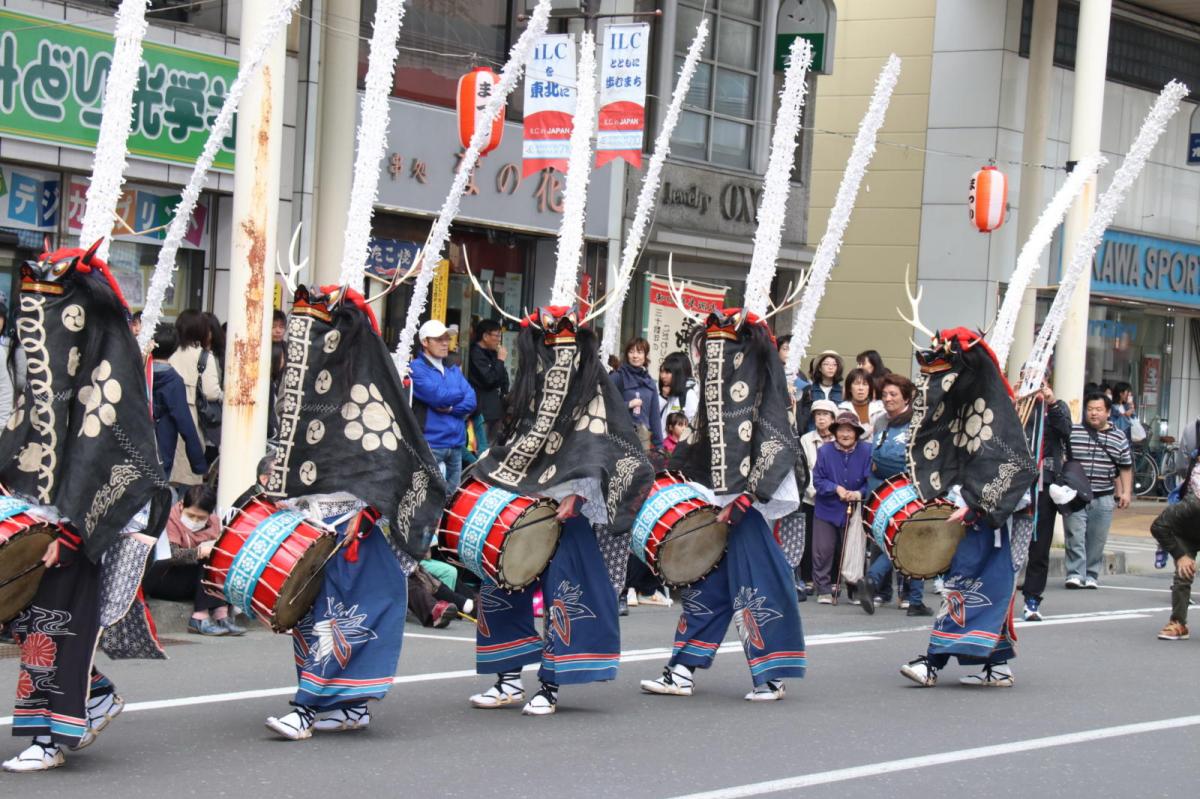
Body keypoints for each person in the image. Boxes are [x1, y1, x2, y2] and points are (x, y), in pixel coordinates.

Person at [1, 242, 172, 772]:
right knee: (30, 624)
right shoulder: (37, 368)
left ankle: (50, 735)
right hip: (33, 515)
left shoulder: (106, 373)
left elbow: (122, 460)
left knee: (55, 628)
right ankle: (92, 696)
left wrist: (73, 531)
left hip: (77, 524)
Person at [261, 284, 448, 740]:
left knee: (337, 619)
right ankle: (348, 708)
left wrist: (363, 514)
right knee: (310, 616)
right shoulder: (304, 379)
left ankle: (306, 709)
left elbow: (390, 459)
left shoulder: (371, 383)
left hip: (357, 529)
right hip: (311, 521)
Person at [466, 306, 654, 716]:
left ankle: (550, 683)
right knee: (502, 584)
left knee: (563, 595)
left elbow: (599, 446)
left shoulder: (592, 387)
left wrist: (578, 495)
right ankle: (508, 677)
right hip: (523, 501)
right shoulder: (532, 383)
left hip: (569, 506)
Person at [641, 309, 805, 702]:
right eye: (709, 347)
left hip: (748, 503)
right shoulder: (711, 394)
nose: (712, 354)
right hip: (716, 499)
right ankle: (681, 669)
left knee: (759, 585)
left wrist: (747, 496)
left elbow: (778, 444)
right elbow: (694, 444)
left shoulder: (763, 385)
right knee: (708, 587)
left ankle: (772, 675)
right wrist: (662, 475)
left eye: (720, 347)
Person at [898, 328, 1037, 689]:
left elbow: (1017, 470)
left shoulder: (995, 413)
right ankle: (998, 665)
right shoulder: (961, 408)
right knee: (982, 591)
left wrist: (977, 505)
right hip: (966, 516)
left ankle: (931, 662)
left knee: (966, 589)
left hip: (986, 521)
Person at [856, 374, 931, 616]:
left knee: (908, 540)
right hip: (882, 490)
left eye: (893, 395)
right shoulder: (880, 421)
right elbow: (874, 456)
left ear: (907, 398)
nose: (887, 399)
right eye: (885, 394)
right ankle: (890, 589)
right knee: (901, 540)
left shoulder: (918, 422)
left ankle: (905, 593)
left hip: (908, 488)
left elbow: (917, 458)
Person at [143, 485, 243, 636]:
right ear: (182, 505)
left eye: (201, 518)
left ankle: (221, 614)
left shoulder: (215, 523)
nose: (195, 520)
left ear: (210, 515)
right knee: (206, 559)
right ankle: (200, 617)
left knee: (216, 559)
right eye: (191, 515)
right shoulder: (170, 519)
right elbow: (170, 555)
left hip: (192, 581)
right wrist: (198, 552)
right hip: (164, 579)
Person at [1063, 391, 1133, 589]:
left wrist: (1126, 492)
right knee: (1075, 535)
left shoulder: (1119, 437)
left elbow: (1125, 466)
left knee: (1096, 539)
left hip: (1103, 496)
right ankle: (1075, 573)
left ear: (1108, 412)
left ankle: (1091, 574)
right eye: (1090, 409)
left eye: (1099, 410)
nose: (1094, 413)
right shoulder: (1073, 432)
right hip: (1075, 495)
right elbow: (1062, 458)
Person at [1021, 381, 1072, 621]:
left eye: (1038, 382)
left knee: (1039, 546)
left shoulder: (1055, 407)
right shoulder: (1012, 404)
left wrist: (1051, 402)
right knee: (1002, 544)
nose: (1032, 386)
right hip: (1013, 483)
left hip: (1044, 483)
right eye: (1026, 379)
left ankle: (1032, 600)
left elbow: (1065, 430)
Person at [810, 412, 872, 603]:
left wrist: (859, 493)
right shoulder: (824, 451)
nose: (845, 434)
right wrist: (835, 488)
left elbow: (871, 481)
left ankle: (854, 589)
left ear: (856, 432)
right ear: (835, 432)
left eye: (850, 430)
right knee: (823, 549)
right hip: (827, 507)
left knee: (853, 549)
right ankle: (824, 590)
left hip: (855, 508)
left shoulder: (867, 450)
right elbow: (818, 480)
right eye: (842, 430)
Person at [410, 319, 476, 491]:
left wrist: (452, 407)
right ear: (425, 342)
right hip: (431, 443)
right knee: (424, 495)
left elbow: (472, 400)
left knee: (451, 498)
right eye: (439, 339)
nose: (446, 342)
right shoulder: (416, 368)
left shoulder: (452, 368)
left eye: (447, 338)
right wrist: (458, 392)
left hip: (456, 443)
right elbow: (439, 398)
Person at [1150, 425, 1200, 640]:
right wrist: (1180, 555)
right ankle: (1178, 623)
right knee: (1183, 573)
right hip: (1187, 531)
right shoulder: (1192, 503)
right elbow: (1158, 526)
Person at [169, 309, 222, 486]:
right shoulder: (204, 356)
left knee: (168, 475)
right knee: (189, 476)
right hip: (191, 418)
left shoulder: (170, 351)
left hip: (166, 417)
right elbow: (211, 392)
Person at [150, 323, 207, 480]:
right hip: (162, 445)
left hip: (134, 445)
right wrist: (198, 463)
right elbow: (185, 422)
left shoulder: (137, 374)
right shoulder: (173, 381)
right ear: (174, 348)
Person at [798, 399, 839, 594]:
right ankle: (808, 579)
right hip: (812, 497)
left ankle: (832, 579)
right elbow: (804, 470)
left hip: (834, 497)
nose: (821, 418)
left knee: (834, 542)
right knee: (810, 540)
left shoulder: (840, 438)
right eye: (818, 414)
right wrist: (814, 491)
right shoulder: (806, 439)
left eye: (825, 415)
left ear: (833, 418)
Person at [611, 337, 663, 450]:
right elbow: (605, 403)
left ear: (645, 356)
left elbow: (655, 416)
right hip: (620, 435)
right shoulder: (618, 377)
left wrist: (659, 446)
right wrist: (628, 405)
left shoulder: (650, 382)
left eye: (639, 352)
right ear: (627, 354)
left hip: (642, 438)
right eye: (631, 352)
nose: (635, 356)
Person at [467, 319, 510, 447]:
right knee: (479, 447)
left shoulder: (492, 353)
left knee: (493, 446)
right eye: (496, 336)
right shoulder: (475, 353)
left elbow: (503, 378)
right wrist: (501, 360)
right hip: (481, 411)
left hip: (495, 410)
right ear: (485, 336)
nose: (498, 340)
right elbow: (490, 380)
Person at [658, 351, 700, 430]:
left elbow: (690, 425)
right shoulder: (666, 391)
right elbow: (653, 416)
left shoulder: (689, 394)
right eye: (661, 371)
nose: (662, 376)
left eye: (667, 372)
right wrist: (663, 397)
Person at [839, 367, 884, 435]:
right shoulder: (842, 410)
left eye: (865, 384)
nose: (861, 388)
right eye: (857, 384)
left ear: (870, 388)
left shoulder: (880, 409)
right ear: (849, 388)